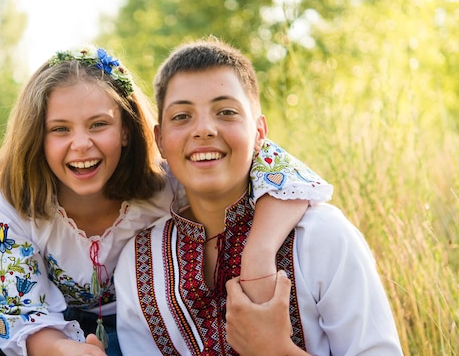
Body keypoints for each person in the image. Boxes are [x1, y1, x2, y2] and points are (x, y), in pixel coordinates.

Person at [0, 45, 332, 356]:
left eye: (99, 124)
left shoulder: (165, 183)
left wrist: (258, 253)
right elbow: (26, 307)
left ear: (126, 130)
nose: (80, 145)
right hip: (54, 334)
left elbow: (286, 172)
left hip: (147, 336)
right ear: (38, 137)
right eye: (60, 129)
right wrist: (63, 350)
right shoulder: (15, 206)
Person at [115, 38, 403, 355]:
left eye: (226, 112)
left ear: (259, 133)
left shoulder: (321, 237)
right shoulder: (138, 261)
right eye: (182, 116)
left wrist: (276, 350)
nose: (204, 129)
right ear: (161, 140)